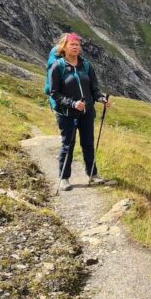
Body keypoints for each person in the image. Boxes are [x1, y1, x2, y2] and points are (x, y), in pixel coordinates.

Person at [47, 32, 110, 191]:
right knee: (68, 144)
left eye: (77, 45)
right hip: (67, 113)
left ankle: (92, 174)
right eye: (71, 45)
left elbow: (94, 89)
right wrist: (73, 104)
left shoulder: (86, 66)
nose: (75, 47)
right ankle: (63, 177)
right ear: (64, 47)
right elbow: (54, 93)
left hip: (87, 112)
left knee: (88, 143)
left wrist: (101, 99)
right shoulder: (58, 67)